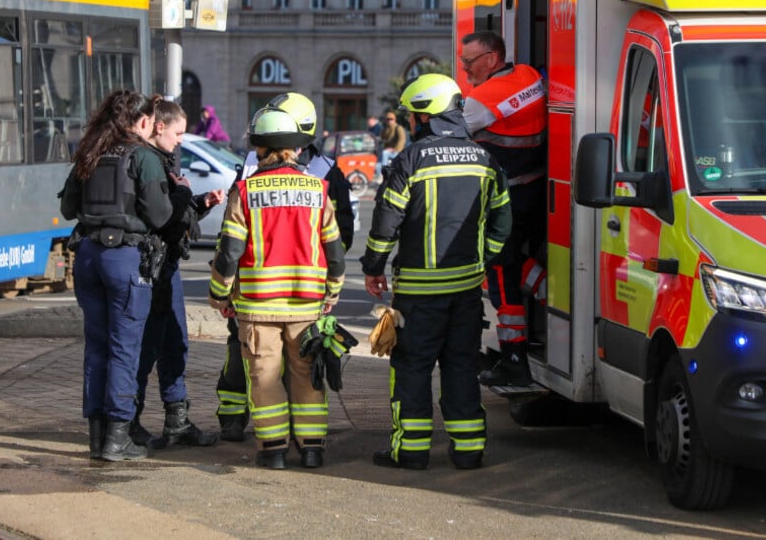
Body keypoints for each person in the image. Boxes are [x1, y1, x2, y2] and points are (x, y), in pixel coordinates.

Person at [361, 73, 512, 471]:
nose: (410, 123)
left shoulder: (410, 160)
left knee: (412, 367)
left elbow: (385, 224)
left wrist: (373, 267)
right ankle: (468, 450)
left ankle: (410, 451)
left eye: (413, 116)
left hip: (418, 294)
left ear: (426, 116)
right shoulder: (486, 160)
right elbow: (502, 223)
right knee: (461, 365)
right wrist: (484, 261)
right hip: (465, 290)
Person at [209, 108, 345, 470]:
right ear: (294, 148)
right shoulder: (318, 189)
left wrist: (220, 295)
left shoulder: (246, 191)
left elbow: (229, 253)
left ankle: (273, 452)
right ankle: (312, 449)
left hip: (258, 307)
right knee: (307, 376)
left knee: (264, 377)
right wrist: (332, 292)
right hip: (306, 307)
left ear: (259, 148)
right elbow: (335, 250)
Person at [59, 89, 175, 462]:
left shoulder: (89, 152)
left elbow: (67, 208)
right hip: (124, 259)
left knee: (96, 348)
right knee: (125, 349)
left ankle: (97, 436)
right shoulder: (143, 157)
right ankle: (117, 438)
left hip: (88, 256)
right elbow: (160, 216)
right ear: (143, 121)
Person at [129, 97, 222, 449]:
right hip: (151, 269)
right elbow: (163, 217)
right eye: (178, 132)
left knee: (174, 344)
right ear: (158, 126)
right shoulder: (147, 162)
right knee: (146, 348)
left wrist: (198, 202)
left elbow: (172, 212)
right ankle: (131, 421)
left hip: (165, 267)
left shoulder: (161, 161)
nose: (182, 139)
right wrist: (185, 194)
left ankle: (177, 420)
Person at [460, 30, 548, 387]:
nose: (465, 70)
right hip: (535, 188)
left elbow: (450, 136)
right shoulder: (528, 75)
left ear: (491, 59)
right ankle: (546, 289)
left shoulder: (480, 100)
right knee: (509, 260)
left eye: (469, 62)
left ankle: (515, 356)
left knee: (499, 270)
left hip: (506, 198)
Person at [379, 110, 407, 174]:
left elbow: (402, 140)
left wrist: (394, 149)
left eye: (391, 119)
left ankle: (384, 171)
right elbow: (382, 139)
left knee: (385, 153)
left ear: (394, 120)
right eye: (388, 119)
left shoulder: (399, 128)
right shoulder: (385, 129)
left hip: (397, 152)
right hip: (388, 150)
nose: (389, 121)